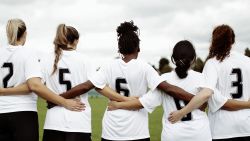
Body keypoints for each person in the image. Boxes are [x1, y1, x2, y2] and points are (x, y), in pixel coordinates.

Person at [53, 21, 208, 141]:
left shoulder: (108, 66)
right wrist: (197, 101)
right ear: (138, 49)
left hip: (111, 130)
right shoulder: (145, 68)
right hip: (137, 131)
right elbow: (169, 88)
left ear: (119, 49)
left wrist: (59, 99)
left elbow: (86, 86)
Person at [108, 40, 212, 141]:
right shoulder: (202, 78)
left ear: (173, 59)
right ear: (193, 59)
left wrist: (118, 105)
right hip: (200, 134)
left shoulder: (164, 79)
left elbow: (142, 103)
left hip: (173, 135)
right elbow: (212, 100)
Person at [0, 19, 84, 141]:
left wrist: (2, 91)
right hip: (23, 113)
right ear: (25, 33)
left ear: (8, 33)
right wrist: (63, 101)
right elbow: (33, 85)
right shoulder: (29, 53)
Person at [168, 25, 250, 141]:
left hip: (222, 130)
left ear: (214, 41)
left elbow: (213, 98)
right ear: (233, 40)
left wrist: (182, 112)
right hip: (246, 127)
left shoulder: (212, 63)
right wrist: (247, 104)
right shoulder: (247, 61)